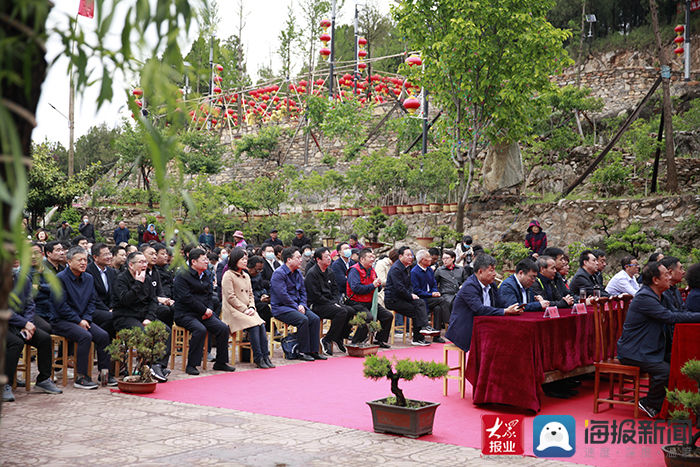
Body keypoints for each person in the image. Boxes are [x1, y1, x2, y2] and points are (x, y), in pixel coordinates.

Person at [617, 262, 700, 418]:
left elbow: (676, 312)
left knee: (681, 362)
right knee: (666, 371)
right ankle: (650, 402)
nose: (670, 277)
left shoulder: (661, 295)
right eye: (666, 275)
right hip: (635, 351)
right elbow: (670, 317)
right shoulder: (644, 298)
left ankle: (679, 404)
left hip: (653, 348)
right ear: (655, 280)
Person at [49, 247, 115, 389]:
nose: (83, 263)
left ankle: (105, 374)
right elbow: (61, 306)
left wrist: (85, 319)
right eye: (80, 260)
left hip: (83, 319)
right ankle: (81, 377)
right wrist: (78, 321)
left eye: (85, 260)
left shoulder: (88, 278)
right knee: (85, 336)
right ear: (69, 261)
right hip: (62, 320)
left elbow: (92, 302)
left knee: (103, 336)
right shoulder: (60, 278)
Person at [173, 248, 235, 375]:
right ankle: (192, 364)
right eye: (204, 259)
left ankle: (220, 362)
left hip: (204, 312)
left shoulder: (206, 274)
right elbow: (186, 298)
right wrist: (204, 309)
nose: (207, 261)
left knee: (223, 328)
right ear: (193, 262)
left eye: (206, 259)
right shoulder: (182, 275)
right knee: (200, 329)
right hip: (185, 313)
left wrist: (210, 309)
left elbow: (209, 295)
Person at [111, 251, 171, 382]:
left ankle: (158, 366)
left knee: (166, 330)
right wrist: (138, 283)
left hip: (144, 316)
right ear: (131, 265)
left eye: (145, 262)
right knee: (144, 333)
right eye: (141, 262)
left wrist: (149, 318)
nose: (145, 264)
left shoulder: (148, 279)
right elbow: (125, 301)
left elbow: (153, 301)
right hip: (125, 316)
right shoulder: (121, 279)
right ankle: (145, 367)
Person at [4, 271, 62, 402]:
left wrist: (28, 323)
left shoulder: (23, 278)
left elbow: (30, 304)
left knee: (44, 338)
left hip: (20, 322)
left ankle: (43, 380)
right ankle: (5, 384)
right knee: (16, 343)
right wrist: (24, 323)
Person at [445, 254, 522, 352]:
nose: (495, 274)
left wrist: (513, 307)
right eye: (491, 270)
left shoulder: (492, 285)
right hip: (466, 329)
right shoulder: (469, 286)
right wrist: (505, 311)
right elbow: (479, 309)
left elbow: (500, 303)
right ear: (480, 272)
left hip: (486, 326)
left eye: (495, 270)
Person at [221, 248, 274, 369]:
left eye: (246, 259)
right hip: (233, 310)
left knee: (261, 324)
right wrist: (244, 309)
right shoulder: (228, 275)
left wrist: (251, 306)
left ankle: (265, 356)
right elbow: (230, 297)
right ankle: (258, 357)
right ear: (235, 260)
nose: (245, 261)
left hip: (248, 309)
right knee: (254, 325)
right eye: (242, 259)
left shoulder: (246, 275)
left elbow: (250, 294)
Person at [270, 247, 325, 362]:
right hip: (282, 308)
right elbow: (282, 296)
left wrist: (302, 305)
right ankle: (302, 351)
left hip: (298, 306)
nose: (301, 260)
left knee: (315, 319)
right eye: (298, 257)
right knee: (303, 319)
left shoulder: (298, 273)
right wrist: (296, 306)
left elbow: (303, 292)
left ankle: (314, 351)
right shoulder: (278, 274)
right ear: (289, 260)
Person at [384, 246, 437, 346]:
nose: (410, 257)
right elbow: (399, 288)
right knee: (416, 309)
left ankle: (423, 330)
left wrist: (412, 294)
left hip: (403, 297)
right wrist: (410, 296)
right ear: (400, 256)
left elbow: (409, 285)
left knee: (420, 302)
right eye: (407, 255)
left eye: (411, 255)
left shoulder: (407, 267)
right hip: (393, 299)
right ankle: (418, 337)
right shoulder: (396, 269)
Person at [305, 247, 354, 355]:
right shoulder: (312, 274)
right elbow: (315, 296)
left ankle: (339, 337)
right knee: (342, 311)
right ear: (318, 259)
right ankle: (327, 339)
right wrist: (333, 303)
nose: (329, 258)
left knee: (350, 310)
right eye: (326, 256)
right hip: (317, 305)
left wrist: (336, 301)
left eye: (329, 256)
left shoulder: (330, 271)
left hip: (329, 303)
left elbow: (335, 290)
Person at [345, 248, 393, 348]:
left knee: (388, 316)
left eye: (373, 257)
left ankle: (380, 340)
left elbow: (378, 289)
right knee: (368, 317)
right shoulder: (354, 270)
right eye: (370, 257)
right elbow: (356, 288)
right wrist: (372, 285)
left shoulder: (372, 270)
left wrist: (378, 284)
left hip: (370, 301)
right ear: (362, 259)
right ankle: (356, 341)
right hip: (355, 302)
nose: (373, 259)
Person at [411, 249, 450, 339]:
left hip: (431, 298)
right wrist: (431, 295)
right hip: (421, 299)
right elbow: (416, 290)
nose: (431, 259)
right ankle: (450, 322)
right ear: (422, 260)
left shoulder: (430, 270)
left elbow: (434, 284)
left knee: (438, 308)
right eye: (428, 258)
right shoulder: (414, 272)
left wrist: (435, 292)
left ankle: (436, 336)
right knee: (442, 300)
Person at [86, 243, 117, 338]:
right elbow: (93, 296)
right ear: (95, 257)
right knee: (114, 317)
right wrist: (108, 310)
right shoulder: (88, 271)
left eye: (109, 254)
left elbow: (114, 293)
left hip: (109, 308)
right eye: (105, 255)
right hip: (94, 308)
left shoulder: (111, 272)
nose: (109, 257)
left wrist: (112, 307)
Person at [247, 255, 272, 326]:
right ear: (250, 267)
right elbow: (247, 294)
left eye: (261, 270)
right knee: (263, 307)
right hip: (250, 301)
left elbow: (262, 287)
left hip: (261, 296)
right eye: (257, 270)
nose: (259, 272)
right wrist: (259, 299)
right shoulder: (245, 276)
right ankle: (271, 330)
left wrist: (267, 295)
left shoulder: (258, 275)